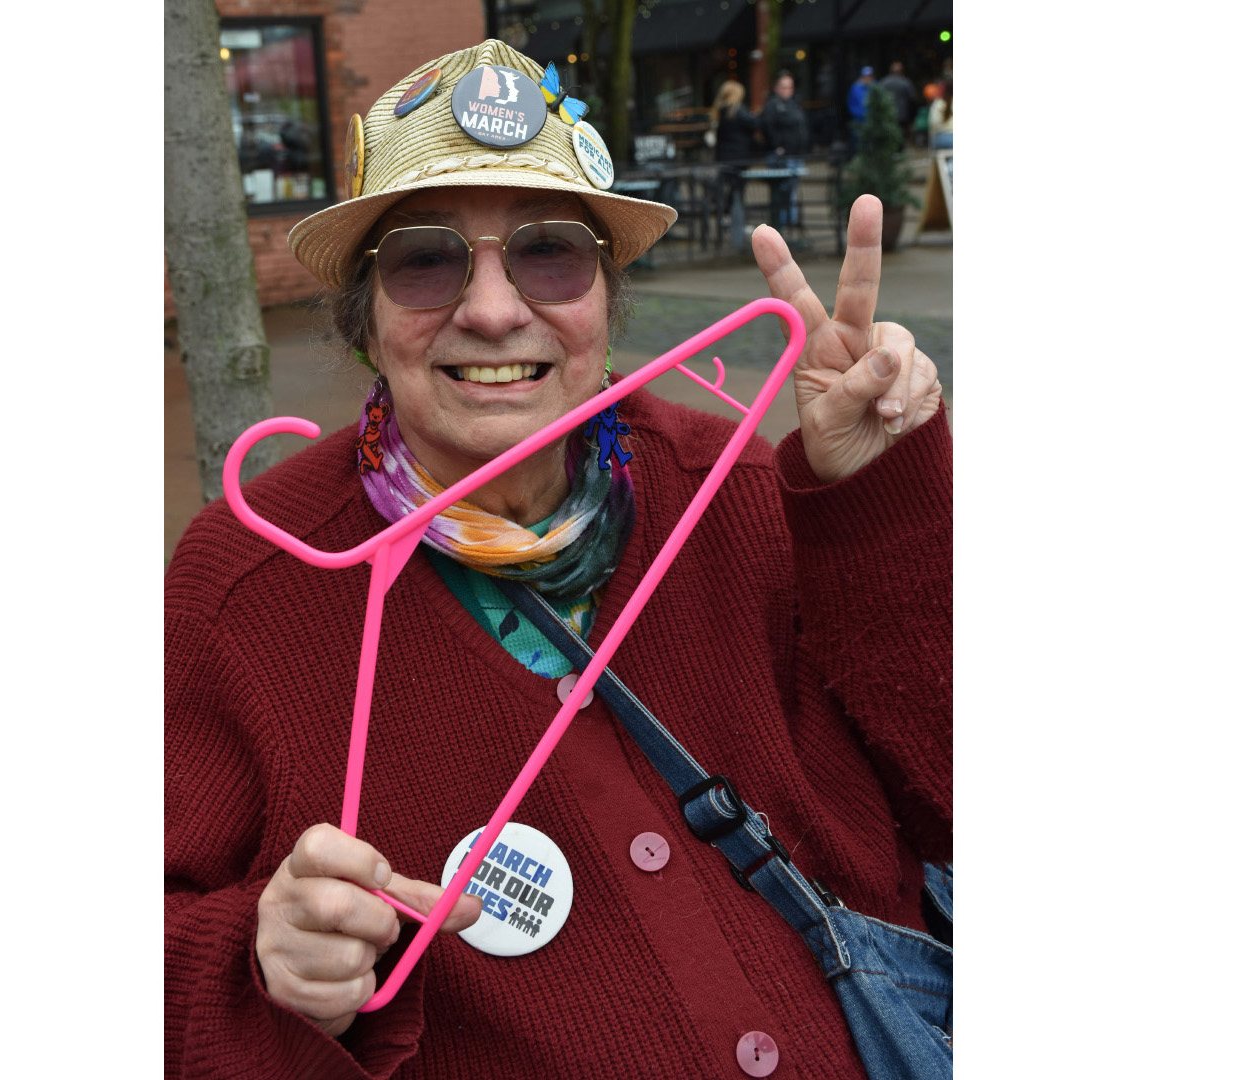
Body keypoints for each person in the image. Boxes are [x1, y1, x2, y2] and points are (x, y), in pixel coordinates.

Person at [167, 38, 950, 1080]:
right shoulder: (247, 582)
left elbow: (946, 803)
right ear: (364, 318)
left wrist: (871, 502)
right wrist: (262, 960)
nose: (493, 310)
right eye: (426, 259)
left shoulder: (737, 488)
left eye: (548, 252)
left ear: (604, 297)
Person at [757, 71, 810, 228]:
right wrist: (777, 146)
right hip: (782, 157)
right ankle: (782, 225)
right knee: (782, 191)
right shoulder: (773, 105)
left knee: (791, 192)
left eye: (790, 87)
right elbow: (766, 125)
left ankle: (789, 222)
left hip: (795, 155)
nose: (788, 90)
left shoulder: (793, 104)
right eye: (784, 87)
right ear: (777, 88)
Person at [711, 79, 760, 218]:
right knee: (737, 188)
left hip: (724, 156)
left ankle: (727, 214)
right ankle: (734, 215)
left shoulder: (720, 111)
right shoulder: (737, 110)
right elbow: (754, 123)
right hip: (739, 157)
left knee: (729, 187)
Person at [879, 62, 917, 141]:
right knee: (901, 138)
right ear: (901, 71)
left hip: (888, 115)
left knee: (889, 138)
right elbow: (913, 99)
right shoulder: (906, 82)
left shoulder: (884, 82)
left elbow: (878, 98)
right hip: (902, 115)